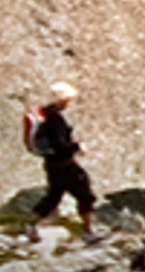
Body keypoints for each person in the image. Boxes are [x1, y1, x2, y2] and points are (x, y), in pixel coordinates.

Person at [25, 87, 97, 229]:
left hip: (52, 163)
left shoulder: (44, 115)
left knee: (54, 196)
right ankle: (88, 229)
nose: (68, 103)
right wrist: (76, 147)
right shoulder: (55, 118)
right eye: (67, 100)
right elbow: (59, 144)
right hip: (64, 164)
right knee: (85, 193)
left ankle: (31, 224)